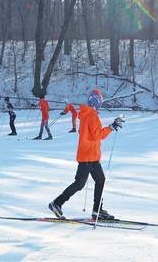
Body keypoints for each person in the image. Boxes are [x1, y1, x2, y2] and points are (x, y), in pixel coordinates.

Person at [48, 89, 124, 220]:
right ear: (97, 103)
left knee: (100, 180)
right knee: (79, 184)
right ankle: (57, 203)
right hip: (88, 156)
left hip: (91, 156)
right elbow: (97, 135)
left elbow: (89, 134)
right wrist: (111, 127)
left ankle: (97, 210)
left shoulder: (85, 114)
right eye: (100, 101)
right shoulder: (92, 116)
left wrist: (111, 126)